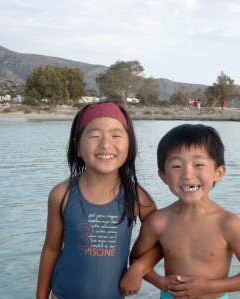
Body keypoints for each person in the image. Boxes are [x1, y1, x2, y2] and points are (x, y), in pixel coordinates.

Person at [123, 124, 240, 299]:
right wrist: (160, 282)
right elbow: (137, 258)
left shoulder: (227, 223)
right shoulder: (158, 222)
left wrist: (208, 287)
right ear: (163, 176)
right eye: (176, 166)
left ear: (218, 173)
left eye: (198, 164)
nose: (187, 174)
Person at [36, 101, 158, 299]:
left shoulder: (137, 197)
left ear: (129, 145)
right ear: (77, 148)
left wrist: (139, 268)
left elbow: (165, 237)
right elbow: (51, 249)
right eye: (94, 136)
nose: (105, 144)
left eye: (116, 135)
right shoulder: (61, 195)